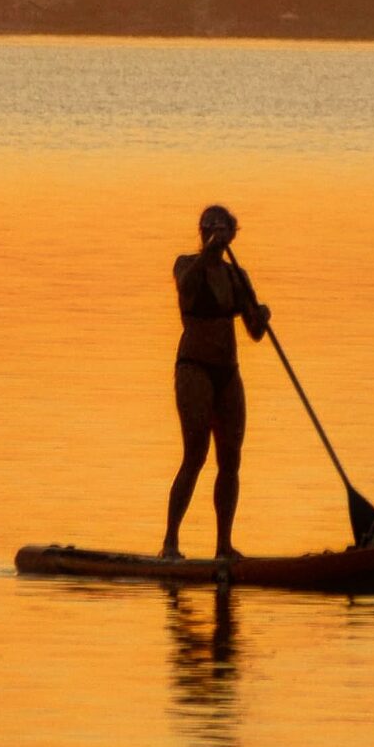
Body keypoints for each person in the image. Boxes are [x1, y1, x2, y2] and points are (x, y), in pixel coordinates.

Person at [163, 204, 270, 561]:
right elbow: (187, 286)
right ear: (202, 232)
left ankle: (224, 545)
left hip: (228, 372)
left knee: (231, 458)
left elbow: (254, 332)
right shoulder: (185, 265)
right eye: (210, 229)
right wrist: (208, 250)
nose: (217, 235)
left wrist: (262, 317)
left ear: (232, 234)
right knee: (195, 454)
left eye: (223, 230)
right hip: (194, 368)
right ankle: (171, 544)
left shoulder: (237, 276)